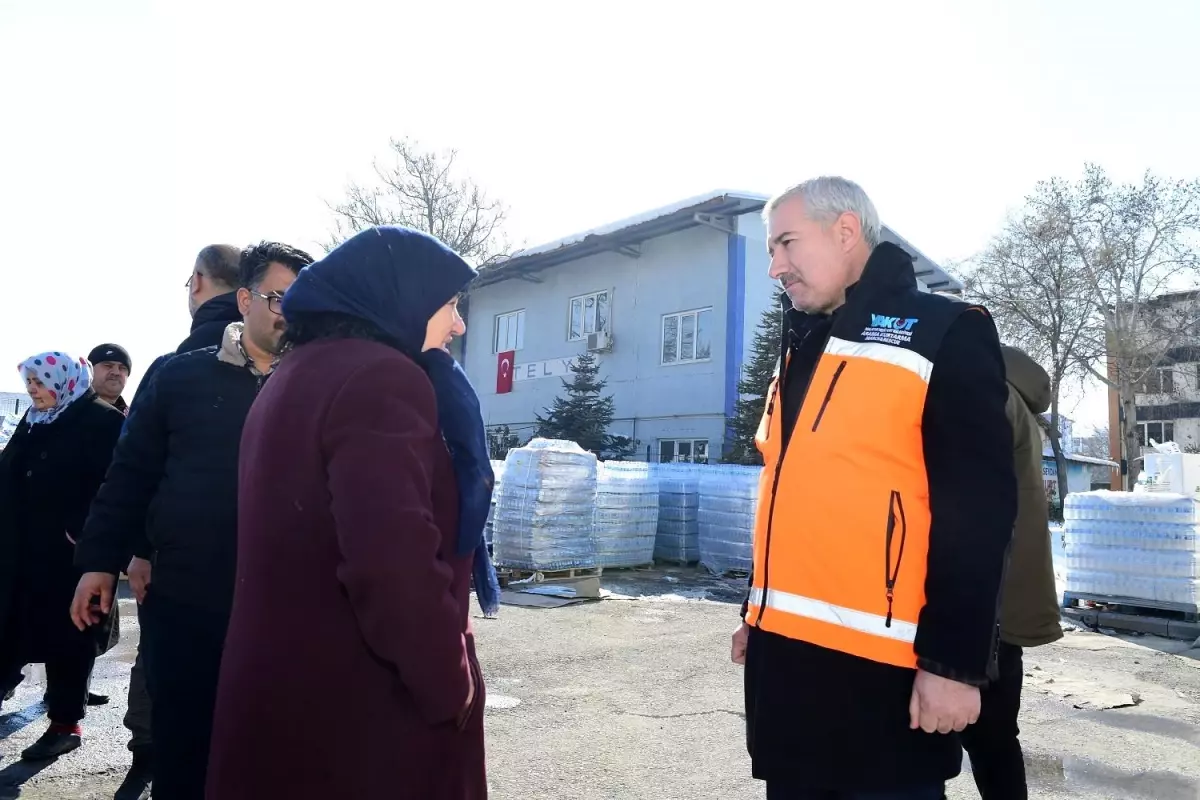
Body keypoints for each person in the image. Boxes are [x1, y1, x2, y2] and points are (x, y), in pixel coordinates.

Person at [730, 177, 1017, 799]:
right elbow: (790, 494)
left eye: (785, 243)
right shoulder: (803, 346)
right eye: (770, 252)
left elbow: (979, 512)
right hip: (788, 676)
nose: (775, 267)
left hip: (885, 685)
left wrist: (955, 666)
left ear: (845, 231)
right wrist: (755, 611)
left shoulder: (945, 331)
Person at [205, 226, 491, 800]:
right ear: (403, 299)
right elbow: (392, 565)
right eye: (451, 306)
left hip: (287, 698)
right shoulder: (383, 379)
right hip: (362, 720)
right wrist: (449, 683)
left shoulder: (297, 371)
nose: (458, 325)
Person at [70, 241, 313, 800]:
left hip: (289, 606)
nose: (290, 312)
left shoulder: (317, 382)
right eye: (278, 298)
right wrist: (100, 563)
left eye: (302, 300)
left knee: (277, 752)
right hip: (189, 601)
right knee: (186, 747)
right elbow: (130, 474)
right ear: (246, 299)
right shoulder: (179, 378)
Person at [107, 244, 239, 800]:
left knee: (171, 685)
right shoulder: (293, 360)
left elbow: (136, 467)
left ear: (196, 284)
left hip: (179, 566)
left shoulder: (175, 364)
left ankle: (149, 756)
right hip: (257, 566)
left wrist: (135, 550)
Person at [0, 352, 125, 760]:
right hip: (22, 550)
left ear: (63, 379)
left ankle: (65, 724)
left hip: (70, 558)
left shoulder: (103, 422)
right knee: (10, 626)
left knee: (69, 639)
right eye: (29, 382)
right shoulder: (36, 420)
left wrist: (84, 533)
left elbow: (120, 486)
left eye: (39, 381)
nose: (32, 389)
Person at [961, 345, 1063, 799]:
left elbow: (967, 504)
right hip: (1006, 604)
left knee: (976, 740)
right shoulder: (1013, 394)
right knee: (996, 741)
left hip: (980, 604)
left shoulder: (983, 393)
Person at [88, 344, 132, 414]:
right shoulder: (73, 411)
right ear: (90, 370)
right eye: (108, 366)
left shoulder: (134, 418)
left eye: (122, 368)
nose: (116, 372)